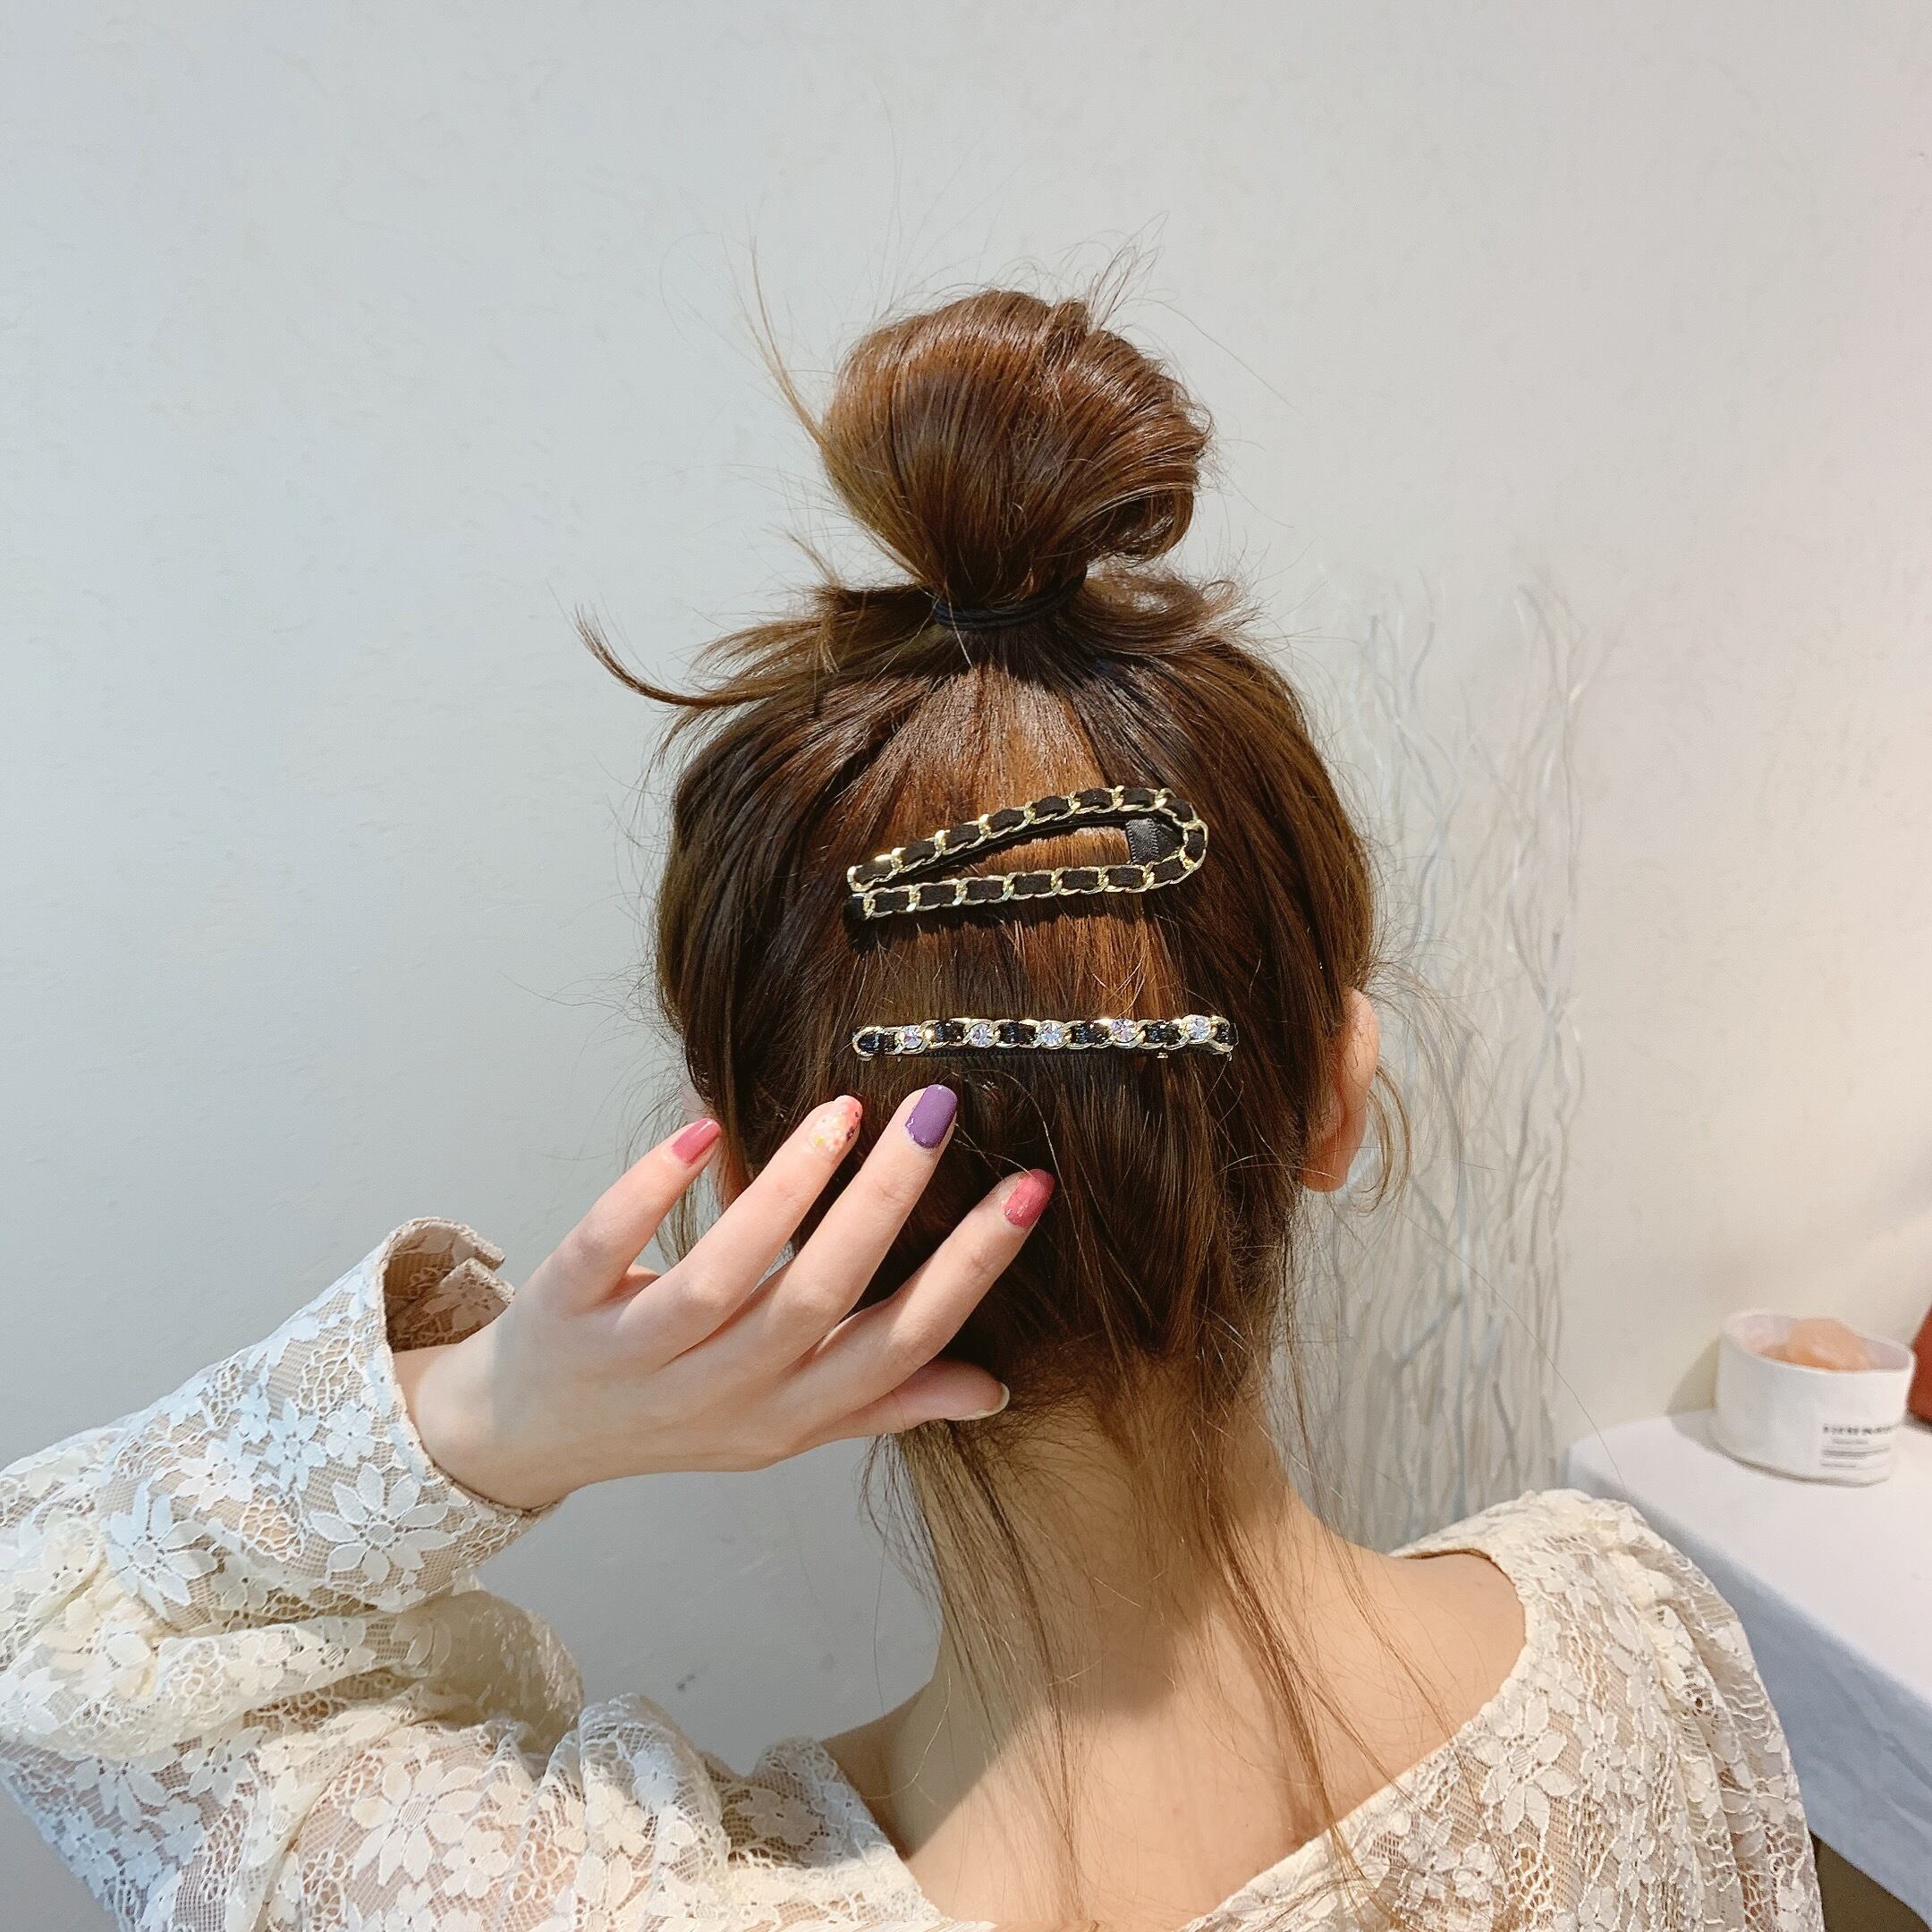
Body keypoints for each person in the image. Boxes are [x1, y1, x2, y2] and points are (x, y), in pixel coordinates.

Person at [0, 286, 1822, 1932]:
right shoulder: (1642, 1653)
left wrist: (510, 1412)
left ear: (757, 1197)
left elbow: (51, 1635)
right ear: (1340, 1096)